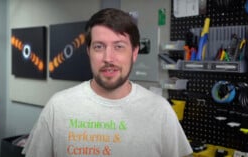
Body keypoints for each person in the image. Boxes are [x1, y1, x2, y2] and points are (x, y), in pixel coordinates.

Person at [22, 8, 193, 157]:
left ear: (134, 52)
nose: (108, 58)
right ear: (88, 51)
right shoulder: (57, 107)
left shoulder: (160, 110)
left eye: (119, 46)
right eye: (99, 47)